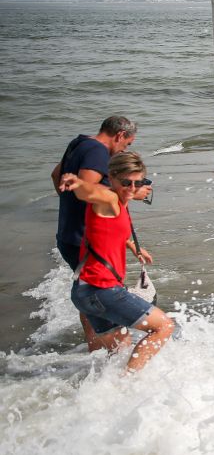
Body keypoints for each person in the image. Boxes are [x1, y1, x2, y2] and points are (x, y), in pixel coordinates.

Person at [60, 152, 175, 372]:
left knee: (122, 351)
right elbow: (92, 192)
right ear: (111, 178)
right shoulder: (109, 199)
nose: (131, 188)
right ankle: (127, 384)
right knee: (164, 327)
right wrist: (78, 184)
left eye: (137, 182)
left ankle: (111, 394)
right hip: (103, 290)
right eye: (126, 183)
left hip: (85, 293)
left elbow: (112, 230)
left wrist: (133, 245)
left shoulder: (120, 201)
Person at [51, 116, 152, 350]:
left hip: (69, 231)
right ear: (119, 135)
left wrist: (72, 210)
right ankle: (106, 351)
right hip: (84, 237)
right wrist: (130, 193)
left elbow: (56, 175)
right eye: (126, 144)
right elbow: (88, 187)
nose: (124, 149)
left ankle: (98, 349)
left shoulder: (79, 142)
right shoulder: (98, 150)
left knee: (93, 295)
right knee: (100, 294)